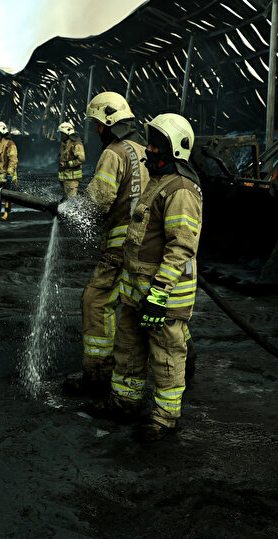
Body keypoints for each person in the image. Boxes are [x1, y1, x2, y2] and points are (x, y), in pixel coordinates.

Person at [89, 113, 203, 443]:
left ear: (173, 150)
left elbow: (181, 246)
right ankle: (124, 401)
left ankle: (164, 417)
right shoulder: (160, 182)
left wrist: (159, 294)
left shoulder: (180, 189)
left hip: (161, 295)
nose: (147, 151)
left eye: (154, 145)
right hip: (137, 290)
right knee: (127, 348)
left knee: (167, 354)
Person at [61, 92, 146, 397]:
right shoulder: (142, 149)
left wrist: (73, 211)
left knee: (96, 302)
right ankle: (184, 358)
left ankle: (97, 375)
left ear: (110, 122)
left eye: (98, 124)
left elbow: (99, 201)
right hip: (149, 247)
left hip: (121, 246)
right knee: (146, 302)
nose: (96, 130)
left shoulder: (114, 152)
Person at [57, 121, 86, 198]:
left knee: (71, 202)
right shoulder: (64, 144)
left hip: (72, 180)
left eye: (62, 133)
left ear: (67, 132)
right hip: (64, 179)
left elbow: (81, 159)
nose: (61, 135)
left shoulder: (76, 144)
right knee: (66, 200)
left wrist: (66, 164)